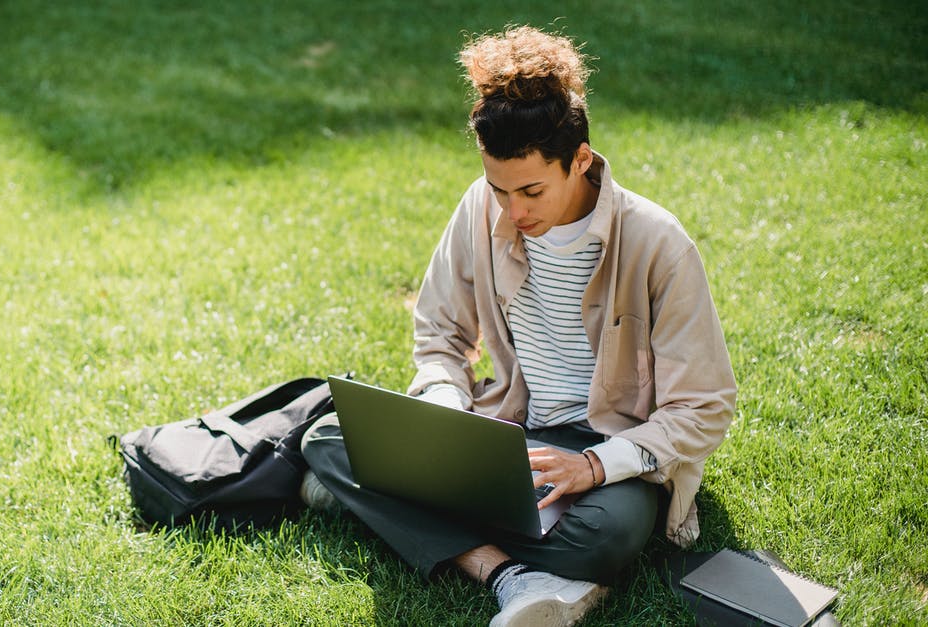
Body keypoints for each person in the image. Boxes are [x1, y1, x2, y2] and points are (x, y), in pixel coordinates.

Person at [299, 24, 737, 627]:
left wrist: (592, 466)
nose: (514, 210)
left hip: (608, 451)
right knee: (328, 437)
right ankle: (511, 576)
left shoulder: (659, 244)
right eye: (498, 189)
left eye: (531, 190)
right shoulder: (480, 207)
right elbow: (440, 334)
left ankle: (388, 505)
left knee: (604, 537)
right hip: (507, 432)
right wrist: (448, 405)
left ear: (580, 160)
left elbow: (705, 406)